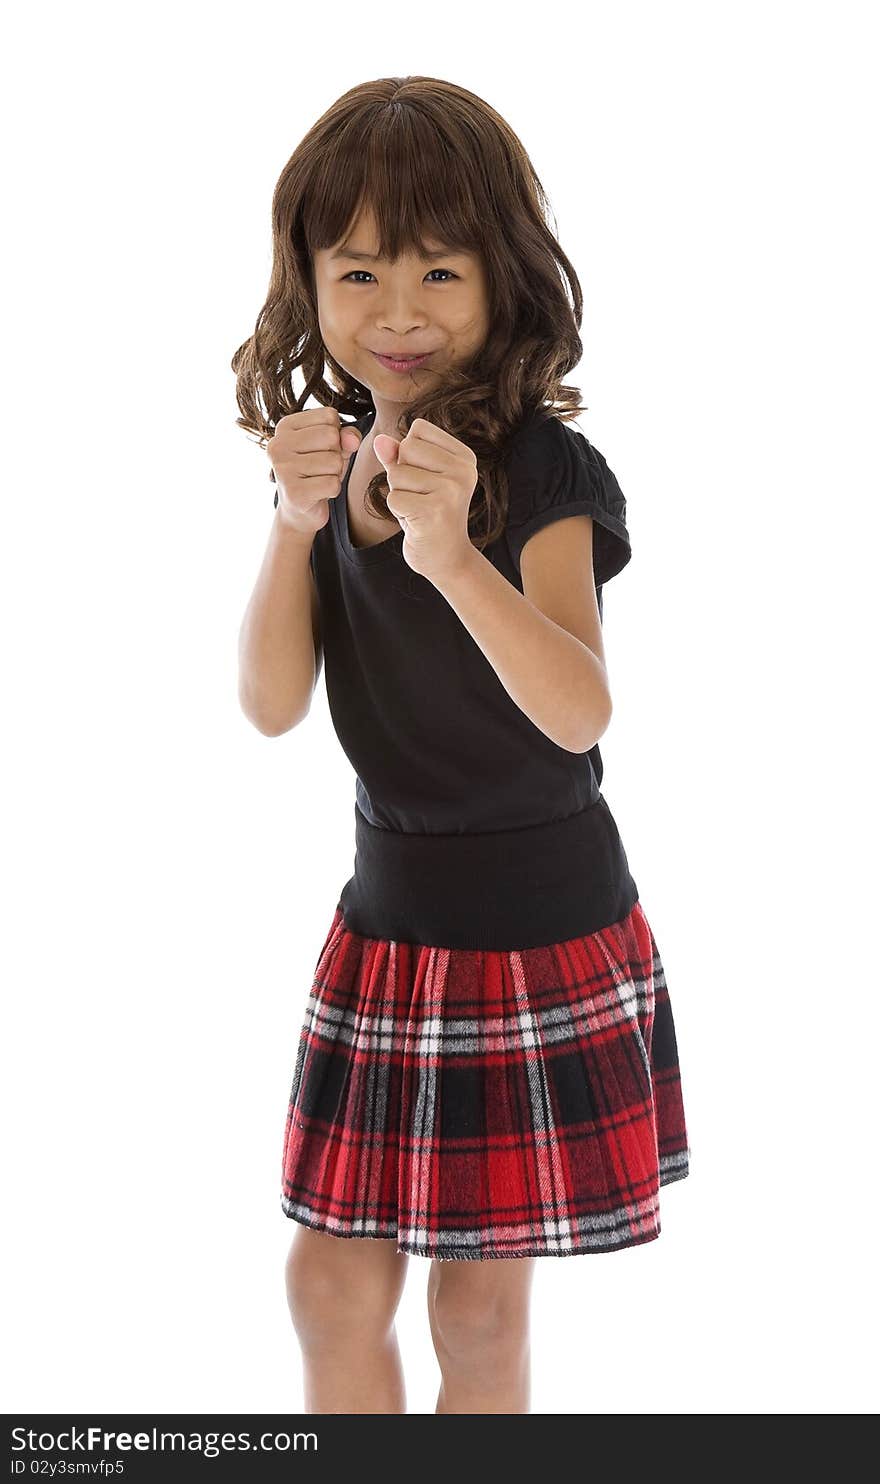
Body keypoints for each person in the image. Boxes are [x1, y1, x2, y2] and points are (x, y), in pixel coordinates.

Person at [233, 75, 690, 1416]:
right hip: (388, 925)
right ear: (307, 285)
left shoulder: (546, 475)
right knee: (327, 1287)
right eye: (359, 270)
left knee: (478, 1309)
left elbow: (577, 710)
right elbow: (269, 704)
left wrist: (452, 557)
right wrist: (289, 526)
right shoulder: (329, 467)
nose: (398, 312)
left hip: (538, 925)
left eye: (440, 268)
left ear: (506, 281)